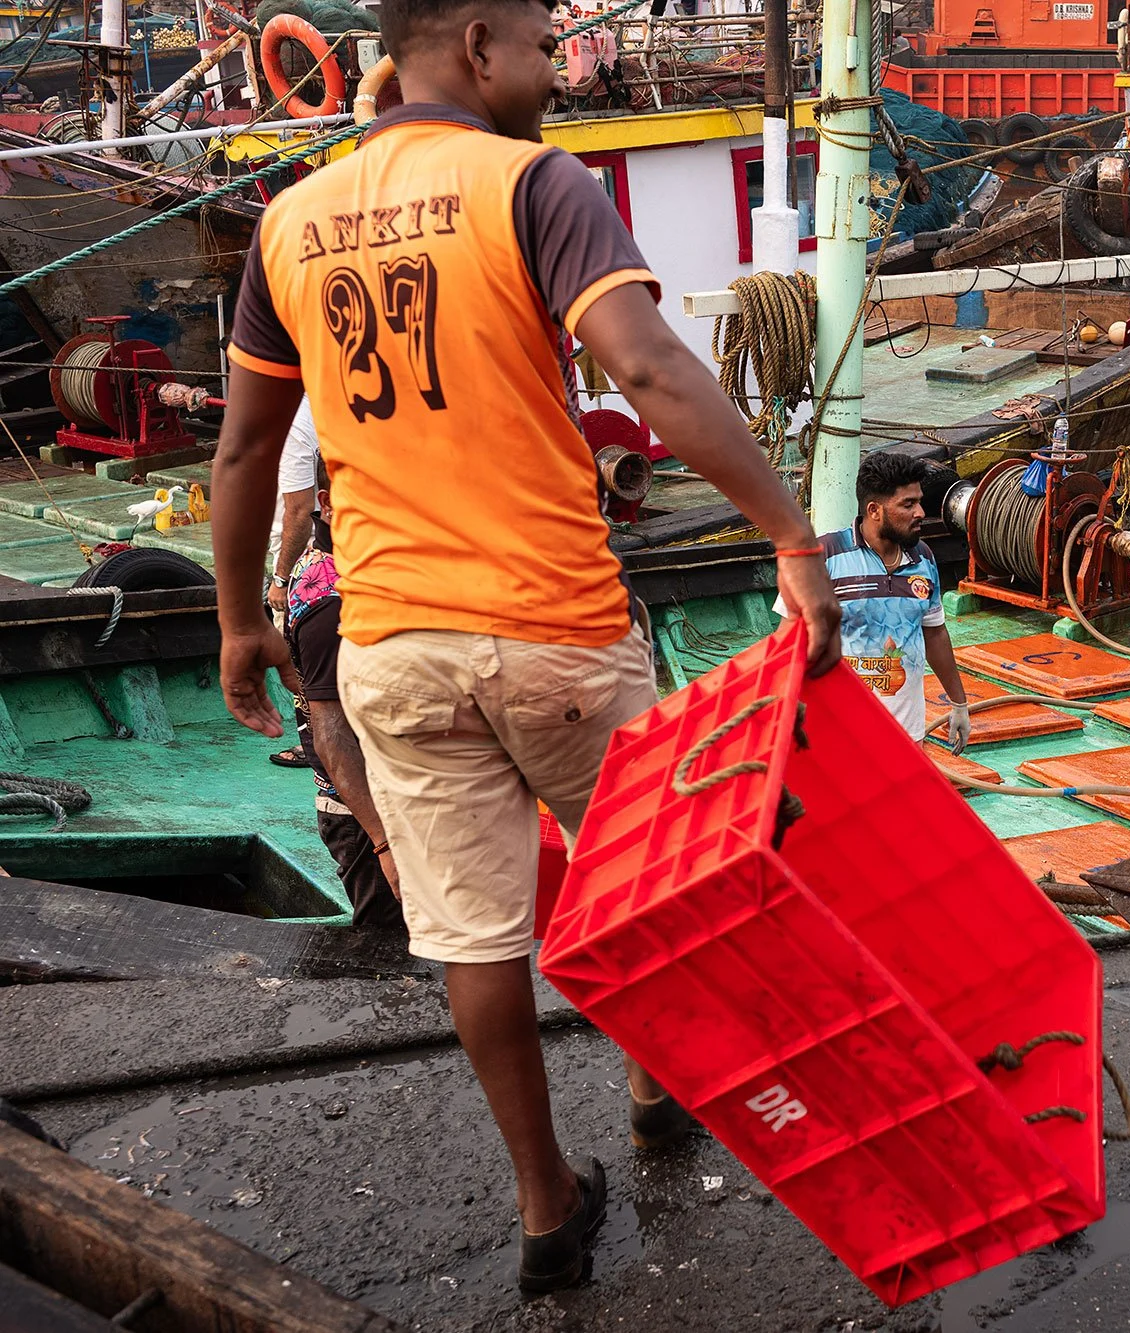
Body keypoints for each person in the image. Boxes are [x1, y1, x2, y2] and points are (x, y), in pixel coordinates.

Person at [207, 0, 839, 1296]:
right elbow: (653, 372)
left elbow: (243, 451)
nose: (557, 74)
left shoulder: (291, 221)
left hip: (389, 643)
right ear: (481, 47)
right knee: (649, 880)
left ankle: (547, 1205)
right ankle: (661, 1088)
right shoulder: (530, 185)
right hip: (551, 628)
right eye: (547, 49)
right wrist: (791, 535)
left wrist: (239, 621)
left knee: (476, 937)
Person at [776, 452, 971, 751]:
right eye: (908, 504)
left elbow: (934, 633)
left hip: (906, 733)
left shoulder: (924, 559)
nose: (920, 512)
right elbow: (788, 641)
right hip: (838, 730)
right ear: (874, 510)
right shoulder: (823, 556)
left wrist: (959, 703)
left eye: (918, 501)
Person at [282, 458, 402, 933]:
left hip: (394, 795)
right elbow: (332, 737)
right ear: (328, 505)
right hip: (365, 814)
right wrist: (387, 846)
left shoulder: (360, 565)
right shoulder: (331, 599)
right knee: (388, 952)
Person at [267, 398, 320, 769]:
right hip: (345, 552)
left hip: (306, 567)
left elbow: (299, 512)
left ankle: (317, 743)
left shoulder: (294, 427)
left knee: (298, 663)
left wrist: (281, 580)